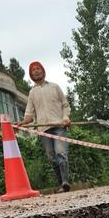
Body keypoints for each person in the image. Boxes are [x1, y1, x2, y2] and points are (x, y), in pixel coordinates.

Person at [15, 61, 71, 192]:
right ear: (31, 75)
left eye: (38, 68)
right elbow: (29, 115)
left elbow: (65, 105)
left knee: (61, 153)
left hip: (59, 126)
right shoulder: (32, 93)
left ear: (43, 71)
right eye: (33, 70)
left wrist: (66, 117)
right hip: (43, 130)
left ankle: (65, 182)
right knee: (52, 158)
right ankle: (61, 184)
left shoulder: (54, 87)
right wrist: (22, 123)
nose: (36, 71)